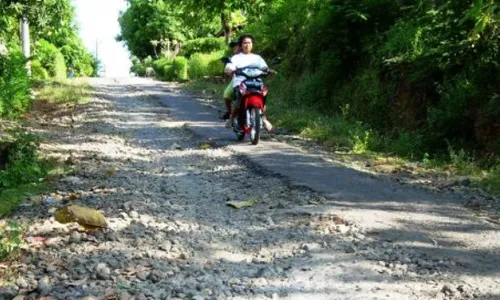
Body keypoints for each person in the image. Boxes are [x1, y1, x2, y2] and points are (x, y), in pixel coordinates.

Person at [224, 34, 274, 131]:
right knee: (238, 98)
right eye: (245, 43)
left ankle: (264, 118)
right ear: (241, 45)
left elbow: (264, 67)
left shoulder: (257, 58)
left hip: (256, 81)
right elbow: (230, 66)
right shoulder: (236, 57)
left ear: (252, 44)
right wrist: (229, 69)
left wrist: (269, 71)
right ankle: (231, 118)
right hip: (240, 81)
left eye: (249, 43)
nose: (247, 45)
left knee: (263, 94)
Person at [220, 40, 240, 120]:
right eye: (234, 46)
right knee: (227, 94)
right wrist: (229, 70)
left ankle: (262, 116)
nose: (235, 48)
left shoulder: (253, 57)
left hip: (252, 79)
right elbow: (228, 67)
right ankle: (229, 112)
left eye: (237, 45)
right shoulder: (234, 58)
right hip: (238, 79)